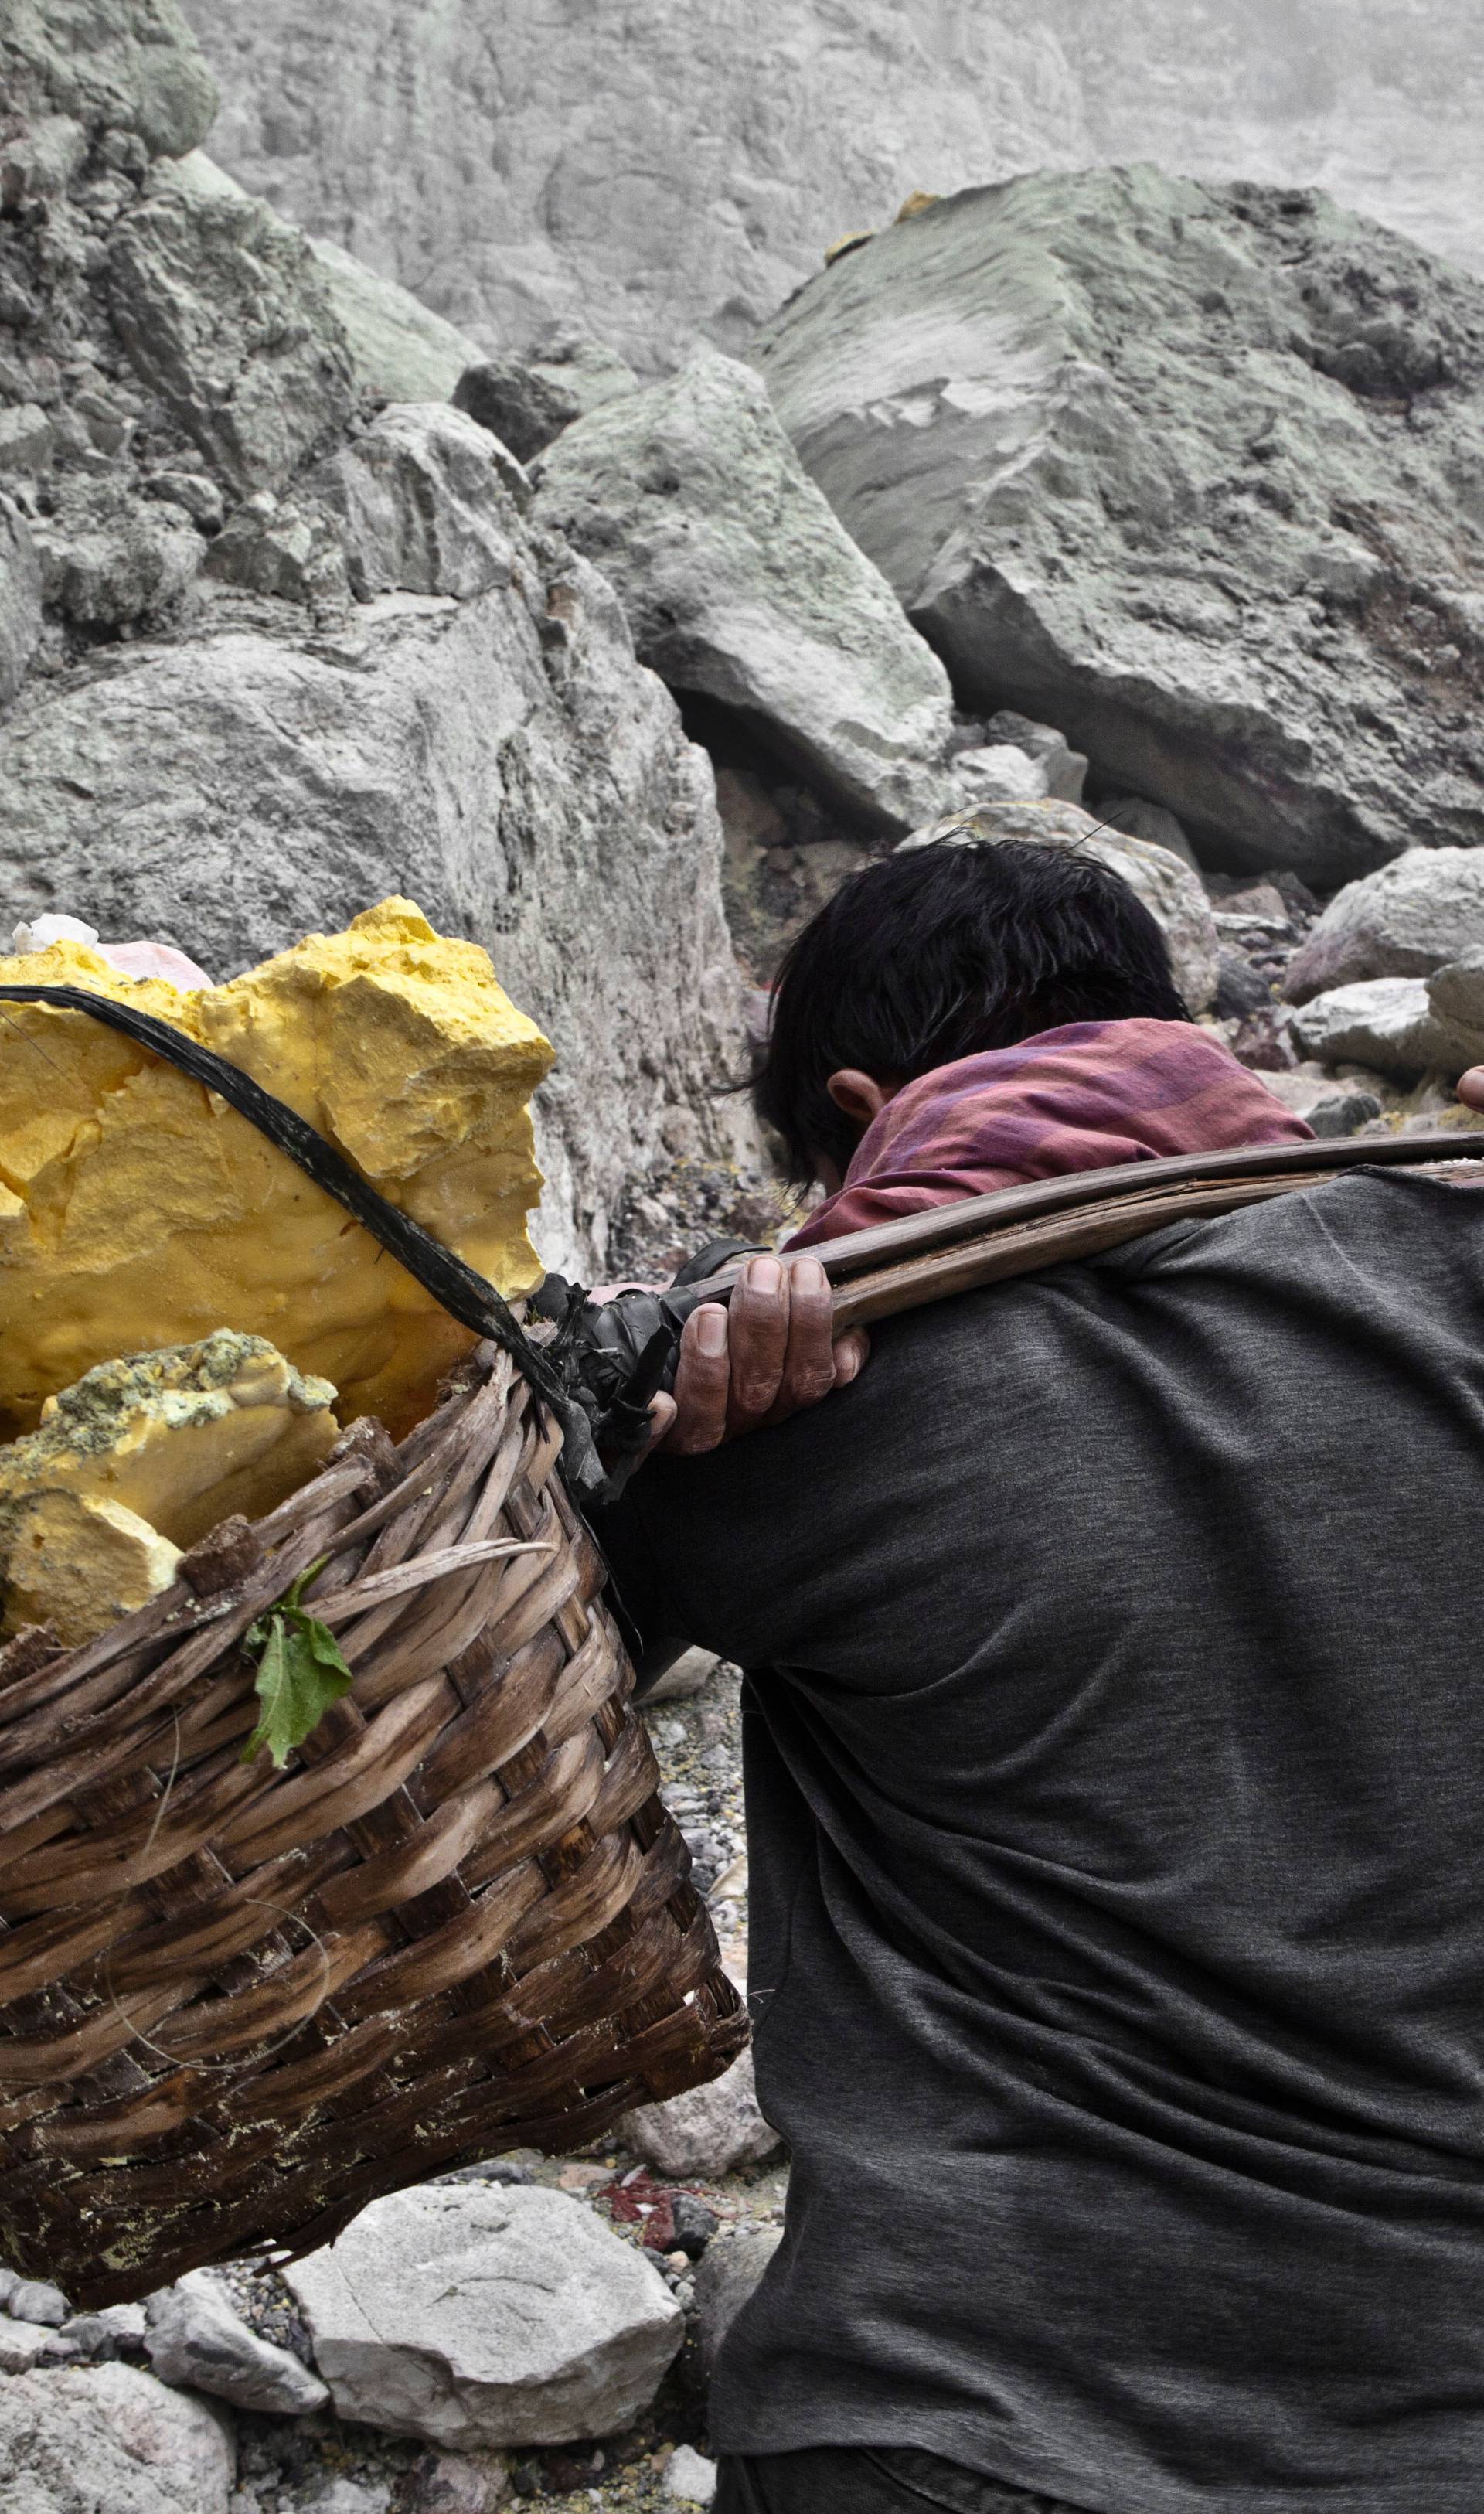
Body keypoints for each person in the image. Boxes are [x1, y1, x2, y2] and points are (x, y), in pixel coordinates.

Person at [597, 840, 1484, 2514]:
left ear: (860, 1117)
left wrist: (652, 1401)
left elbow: (443, 1677)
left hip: (958, 2422)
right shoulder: (1455, 1279)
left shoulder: (801, 1411)